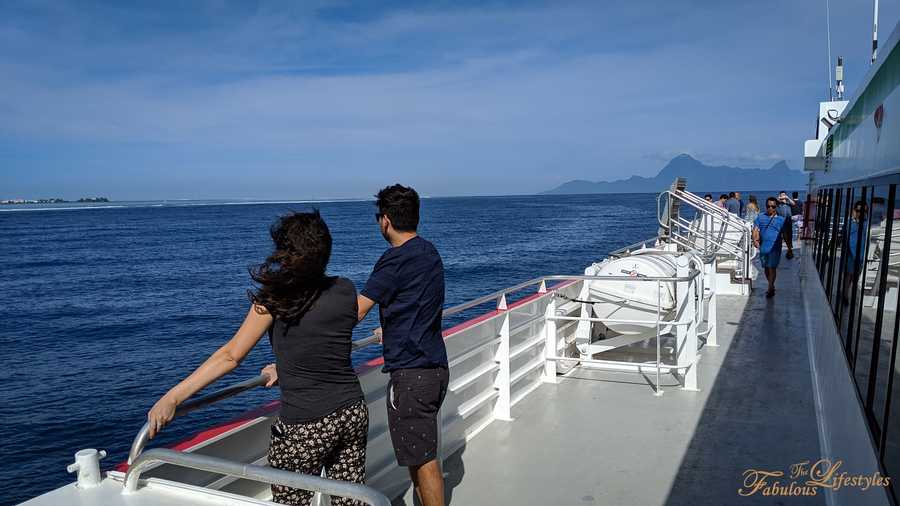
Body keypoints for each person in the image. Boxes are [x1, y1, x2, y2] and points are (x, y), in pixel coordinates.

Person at [146, 211, 368, 506]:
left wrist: (173, 397)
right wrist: (286, 366)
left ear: (287, 253)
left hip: (305, 426)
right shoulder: (345, 288)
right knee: (350, 501)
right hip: (352, 412)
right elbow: (325, 338)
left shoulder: (275, 299)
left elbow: (230, 356)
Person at [357, 184, 449, 506]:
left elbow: (357, 310)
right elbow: (418, 303)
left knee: (423, 461)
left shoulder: (394, 260)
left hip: (412, 375)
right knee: (418, 453)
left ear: (385, 220)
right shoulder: (429, 252)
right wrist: (391, 326)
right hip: (436, 367)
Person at [753, 197, 789, 298]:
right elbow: (755, 229)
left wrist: (789, 248)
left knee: (772, 268)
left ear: (776, 207)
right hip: (763, 247)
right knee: (765, 268)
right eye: (768, 206)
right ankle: (771, 285)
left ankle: (770, 288)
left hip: (775, 247)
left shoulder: (781, 220)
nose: (770, 208)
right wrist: (755, 240)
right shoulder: (760, 217)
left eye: (773, 206)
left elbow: (785, 234)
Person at [843, 201, 868, 306]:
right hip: (851, 253)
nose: (860, 213)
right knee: (849, 275)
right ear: (854, 211)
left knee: (856, 276)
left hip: (862, 254)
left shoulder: (867, 223)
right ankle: (845, 295)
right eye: (858, 210)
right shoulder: (850, 223)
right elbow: (846, 233)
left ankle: (850, 295)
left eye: (864, 211)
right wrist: (853, 220)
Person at [776, 191, 795, 259]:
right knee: (784, 236)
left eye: (784, 195)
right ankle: (788, 250)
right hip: (781, 222)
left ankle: (789, 250)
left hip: (788, 222)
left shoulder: (788, 203)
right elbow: (775, 202)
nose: (783, 197)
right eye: (782, 195)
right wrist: (780, 198)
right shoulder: (778, 204)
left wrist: (787, 198)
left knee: (789, 236)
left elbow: (793, 204)